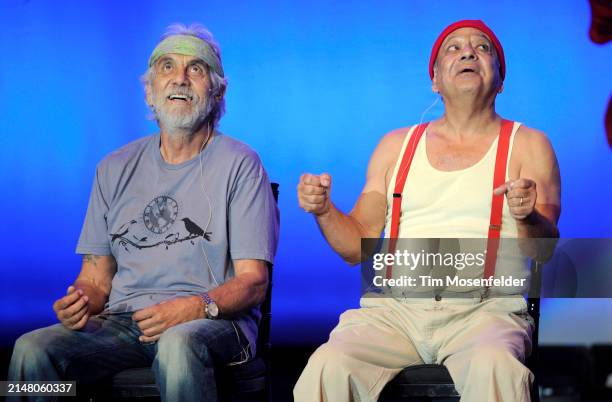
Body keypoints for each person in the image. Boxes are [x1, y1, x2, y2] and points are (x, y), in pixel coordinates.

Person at [8, 23, 279, 402]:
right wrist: (79, 302)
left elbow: (253, 282)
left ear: (217, 92)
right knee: (31, 349)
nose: (179, 80)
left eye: (195, 69)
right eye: (166, 68)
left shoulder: (241, 164)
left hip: (211, 321)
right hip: (124, 323)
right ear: (150, 92)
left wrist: (192, 307)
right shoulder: (113, 168)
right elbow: (96, 280)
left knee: (178, 344)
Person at [294, 20, 560, 402]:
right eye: (454, 48)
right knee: (328, 367)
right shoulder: (395, 146)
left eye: (482, 48)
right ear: (434, 80)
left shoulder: (529, 144)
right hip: (395, 313)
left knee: (495, 367)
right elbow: (356, 248)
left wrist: (527, 217)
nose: (468, 52)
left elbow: (544, 251)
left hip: (485, 313)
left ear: (501, 80)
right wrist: (324, 210)